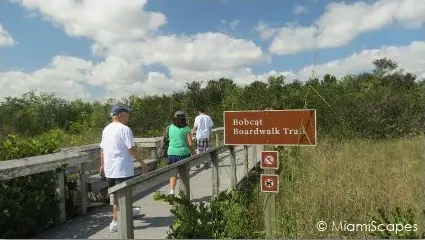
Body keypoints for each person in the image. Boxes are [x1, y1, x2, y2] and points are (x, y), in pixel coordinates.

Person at [99, 105, 149, 232]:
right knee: (124, 197)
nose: (129, 117)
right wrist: (143, 163)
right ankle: (116, 222)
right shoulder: (125, 129)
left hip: (110, 169)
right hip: (122, 169)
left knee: (115, 196)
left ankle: (127, 213)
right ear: (121, 114)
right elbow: (131, 149)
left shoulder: (106, 129)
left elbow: (103, 150)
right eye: (127, 114)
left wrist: (102, 165)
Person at [167, 111, 194, 195]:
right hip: (183, 154)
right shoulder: (186, 129)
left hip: (171, 153)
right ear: (184, 119)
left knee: (173, 174)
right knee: (184, 174)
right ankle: (183, 195)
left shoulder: (170, 127)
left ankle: (171, 192)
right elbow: (190, 144)